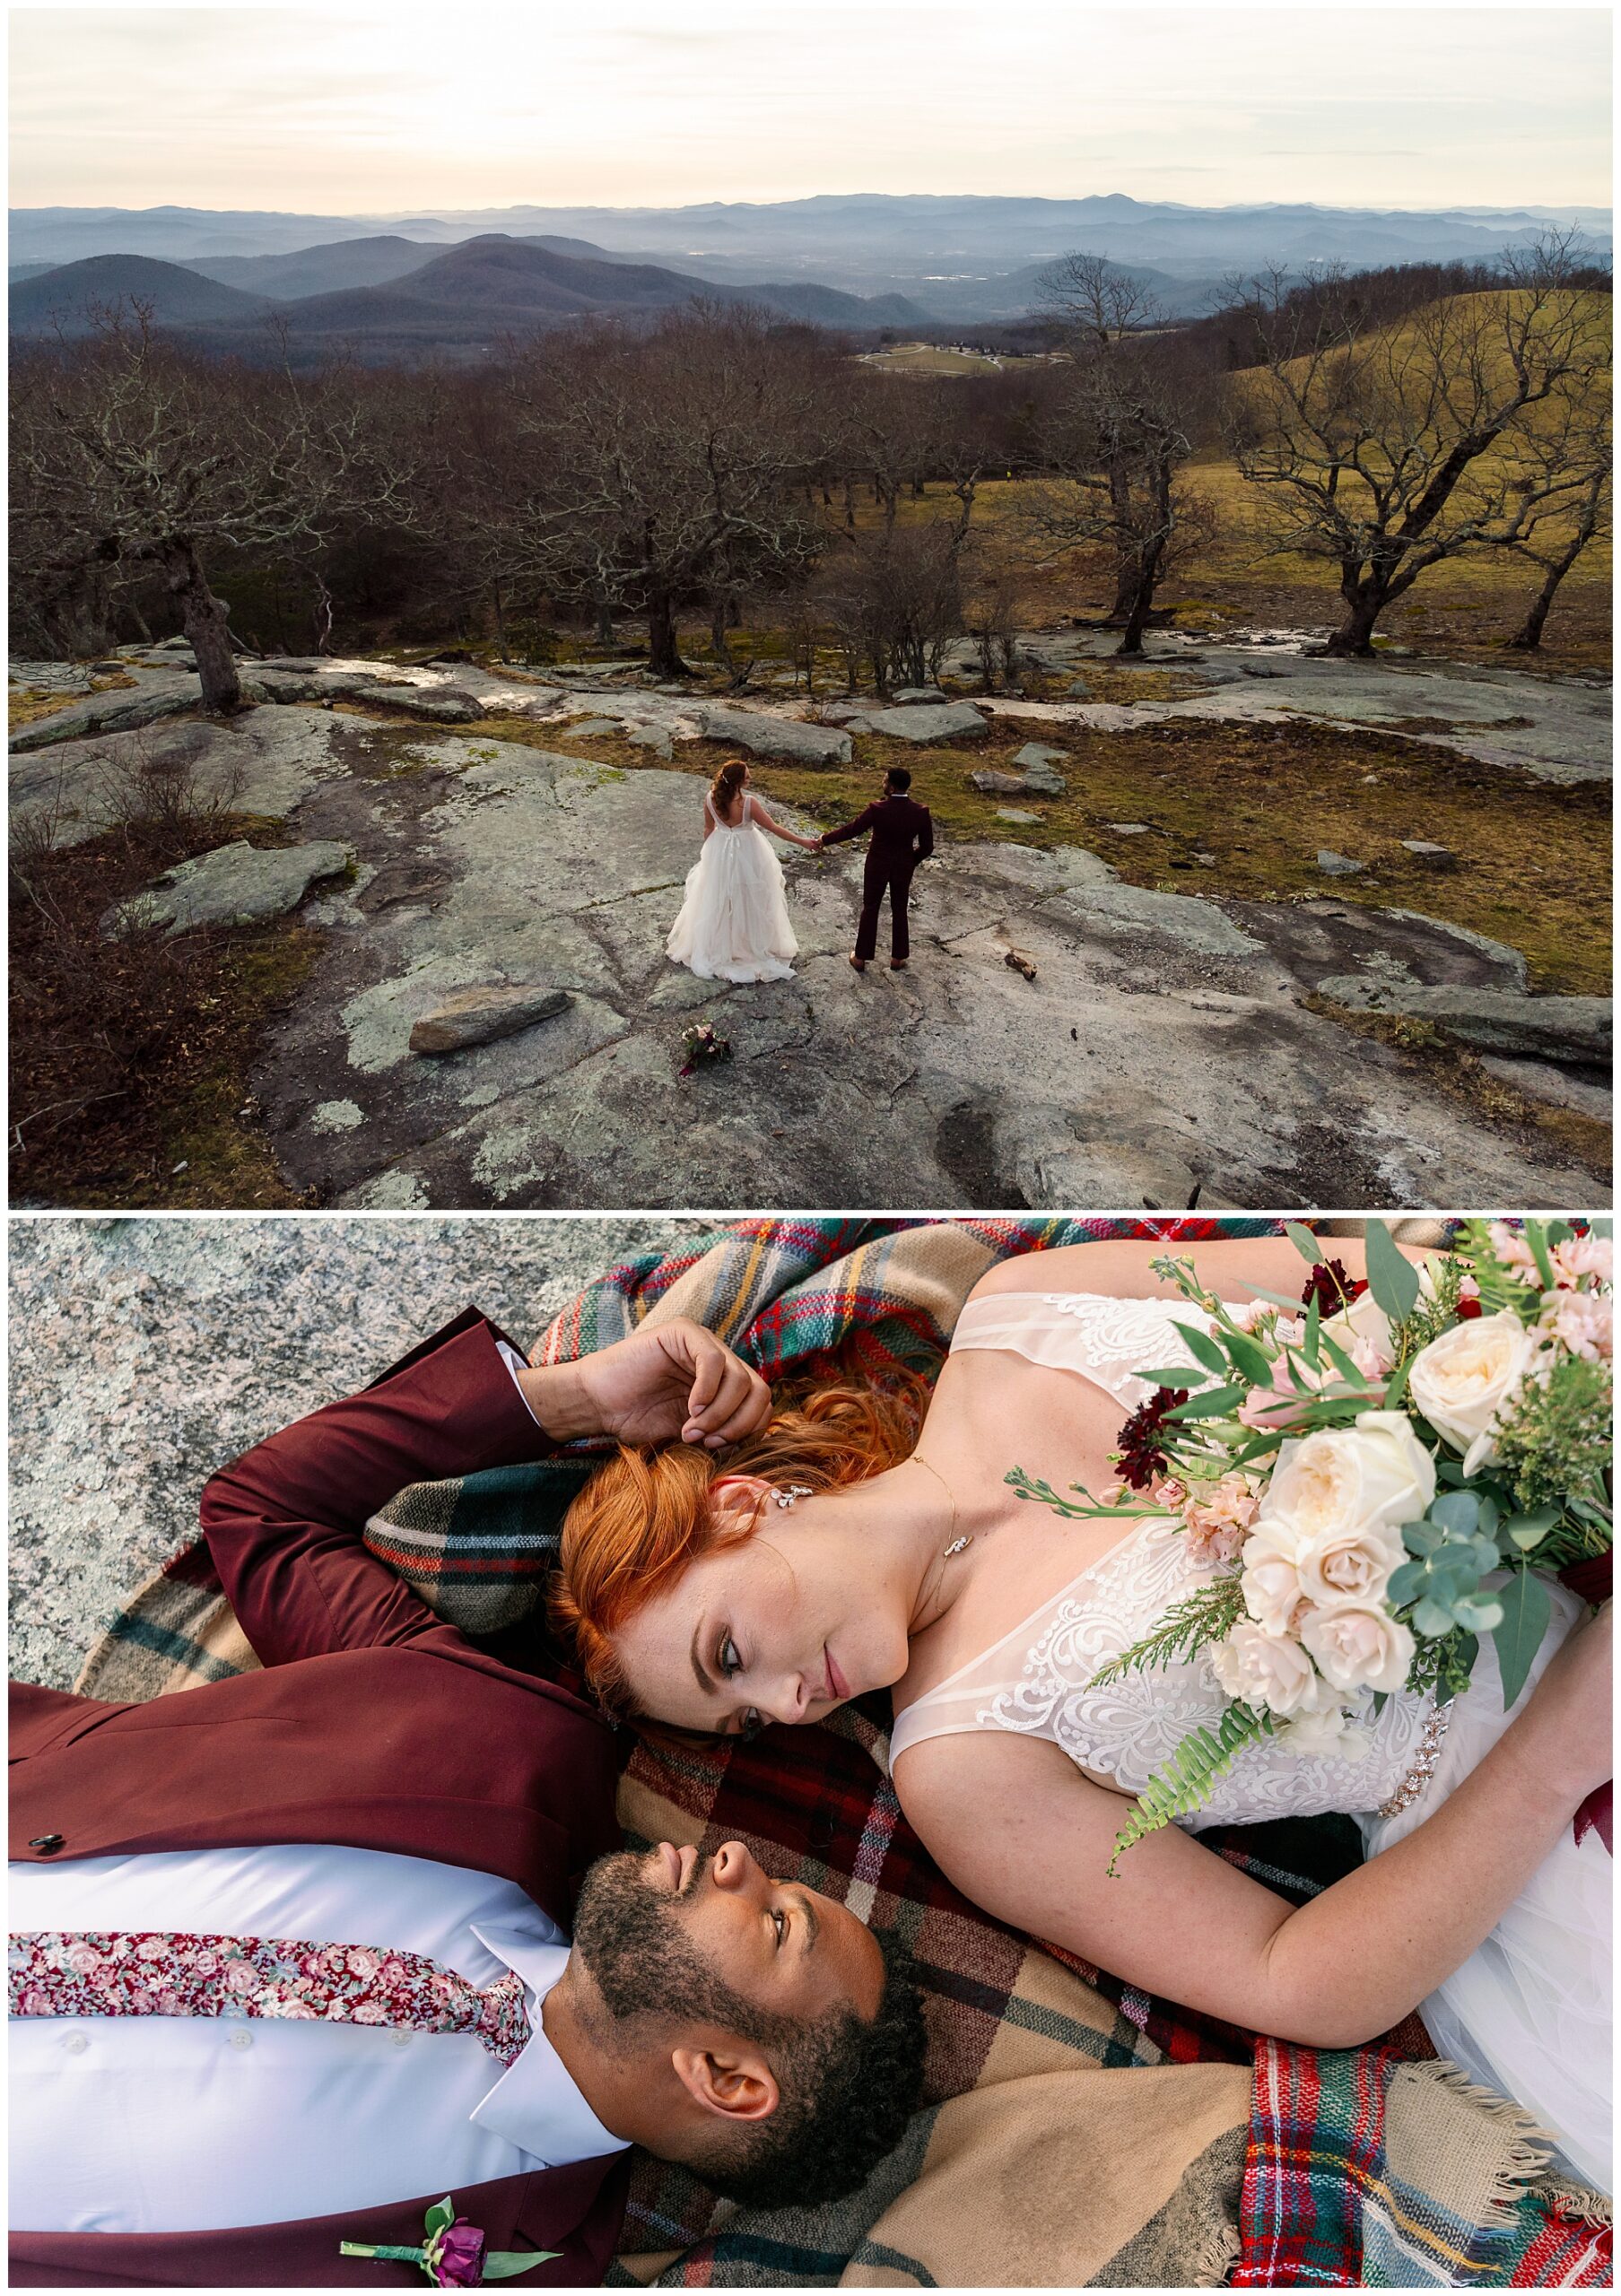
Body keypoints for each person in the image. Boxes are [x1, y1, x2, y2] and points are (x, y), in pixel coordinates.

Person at [554, 1234, 1613, 2192]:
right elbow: (1297, 1983)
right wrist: (1560, 1750)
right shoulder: (963, 1772)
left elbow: (1385, 1288)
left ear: (737, 1509)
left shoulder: (1021, 1304)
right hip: (1556, 1832)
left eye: (728, 1653)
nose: (786, 1705)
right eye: (743, 1720)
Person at [9, 1310, 926, 2284]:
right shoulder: (500, 1742)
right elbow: (263, 1517)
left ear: (729, 2081)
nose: (742, 1857)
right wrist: (573, 1399)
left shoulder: (524, 2263)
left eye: (780, 1922)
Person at [667, 759, 818, 984]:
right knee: (751, 897)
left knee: (719, 898)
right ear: (738, 782)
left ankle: (721, 943)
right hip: (748, 852)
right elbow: (774, 828)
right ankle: (748, 944)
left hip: (719, 849)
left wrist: (711, 857)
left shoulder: (710, 799)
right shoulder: (749, 803)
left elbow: (709, 829)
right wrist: (803, 841)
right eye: (747, 776)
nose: (751, 778)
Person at [818, 767, 935, 973]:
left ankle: (861, 957)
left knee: (870, 907)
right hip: (903, 866)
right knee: (900, 908)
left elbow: (852, 830)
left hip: (877, 865)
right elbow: (927, 847)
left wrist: (824, 840)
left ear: (891, 786)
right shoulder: (921, 811)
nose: (882, 783)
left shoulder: (877, 809)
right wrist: (910, 860)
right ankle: (898, 958)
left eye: (884, 781)